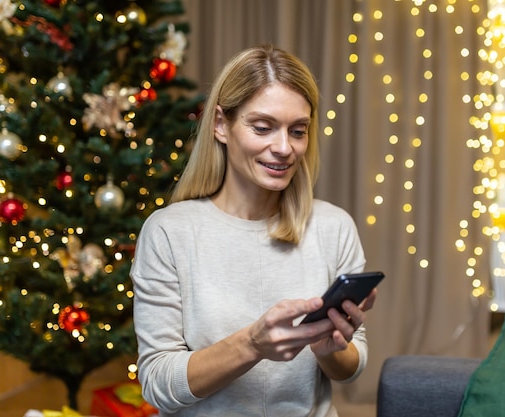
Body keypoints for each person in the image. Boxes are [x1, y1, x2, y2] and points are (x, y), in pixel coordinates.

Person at [130, 44, 377, 417]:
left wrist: (332, 347)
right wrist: (252, 344)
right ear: (220, 124)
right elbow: (158, 385)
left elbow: (351, 367)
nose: (284, 148)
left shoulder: (333, 227)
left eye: (298, 131)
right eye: (262, 127)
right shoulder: (169, 233)